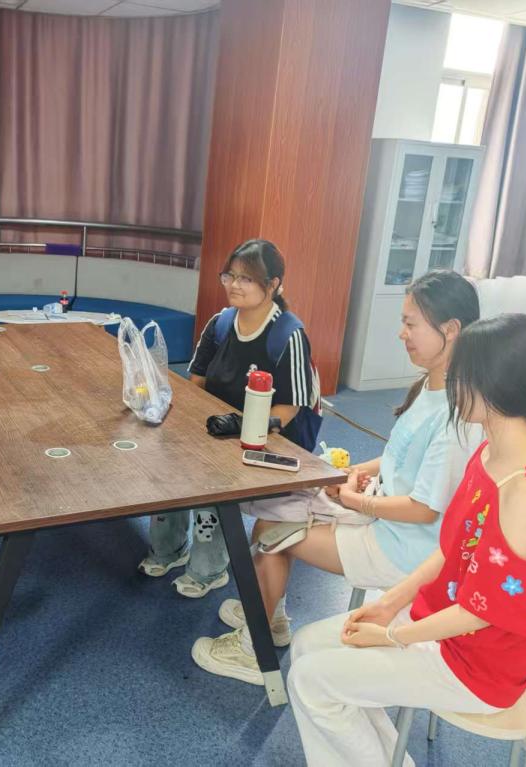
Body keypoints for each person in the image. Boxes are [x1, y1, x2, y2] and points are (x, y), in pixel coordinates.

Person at [287, 313, 526, 766]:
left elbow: (481, 612)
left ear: (494, 385)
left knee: (311, 680)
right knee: (306, 646)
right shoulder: (491, 450)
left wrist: (393, 635)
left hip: (479, 665)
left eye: (461, 376)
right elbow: (450, 549)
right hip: (443, 622)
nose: (452, 386)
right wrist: (390, 603)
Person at [193, 269, 481, 684]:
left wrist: (355, 499)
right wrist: (351, 473)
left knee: (272, 537)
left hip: (403, 548)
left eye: (410, 323)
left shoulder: (458, 414)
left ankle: (253, 650)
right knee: (273, 515)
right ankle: (270, 617)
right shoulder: (432, 387)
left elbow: (423, 510)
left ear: (450, 329)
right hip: (383, 516)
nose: (401, 333)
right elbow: (399, 458)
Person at [137, 239, 322, 597]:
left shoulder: (288, 335)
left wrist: (247, 430)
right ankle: (169, 548)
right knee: (167, 464)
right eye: (230, 276)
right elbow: (196, 383)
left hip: (269, 441)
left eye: (247, 278)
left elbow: (290, 409)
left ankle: (208, 569)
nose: (234, 285)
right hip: (218, 428)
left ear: (273, 285)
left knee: (212, 484)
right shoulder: (221, 323)